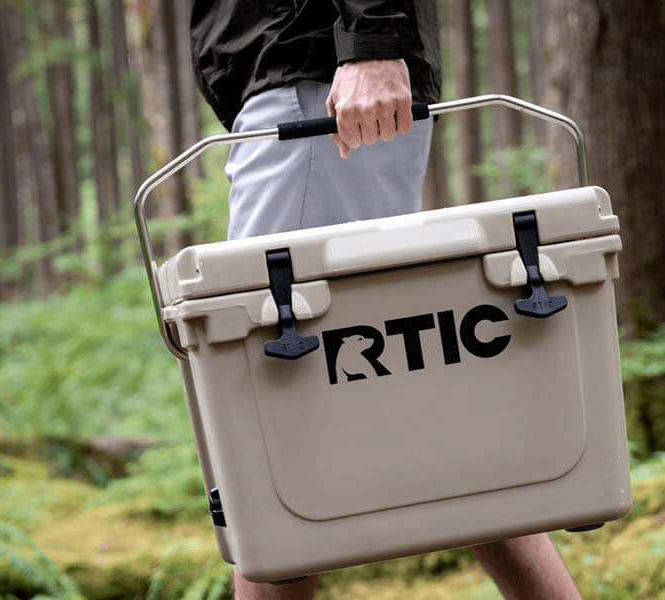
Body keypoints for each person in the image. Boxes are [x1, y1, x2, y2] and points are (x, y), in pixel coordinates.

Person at [189, 1, 583, 598]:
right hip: (307, 72)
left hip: (317, 75)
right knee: (415, 409)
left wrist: (371, 39)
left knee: (268, 440)